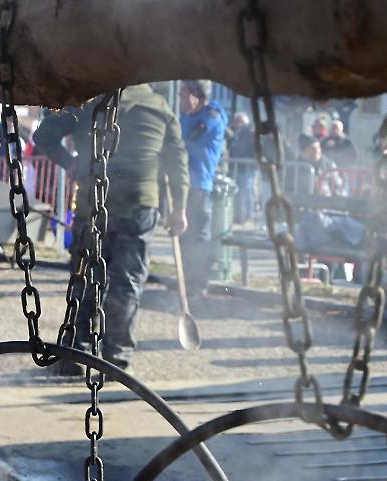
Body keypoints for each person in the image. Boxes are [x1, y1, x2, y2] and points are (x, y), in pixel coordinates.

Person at [35, 84, 190, 373]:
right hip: (139, 208)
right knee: (127, 283)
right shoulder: (158, 106)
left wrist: (71, 163)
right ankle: (116, 356)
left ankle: (76, 355)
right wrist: (179, 207)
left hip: (93, 204)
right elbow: (177, 160)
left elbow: (43, 135)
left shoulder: (86, 101)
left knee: (85, 278)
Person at [178, 79, 227, 296]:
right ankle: (187, 281)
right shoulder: (185, 117)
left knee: (198, 237)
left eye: (183, 93)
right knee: (184, 235)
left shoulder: (211, 116)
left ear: (196, 95)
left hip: (199, 185)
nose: (179, 98)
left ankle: (199, 284)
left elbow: (185, 144)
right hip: (184, 184)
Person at [228, 112, 256, 223]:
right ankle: (238, 214)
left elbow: (253, 150)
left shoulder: (249, 134)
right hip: (234, 167)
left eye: (240, 121)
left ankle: (249, 215)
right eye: (236, 121)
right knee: (237, 192)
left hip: (246, 168)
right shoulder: (232, 133)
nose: (237, 123)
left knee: (247, 191)